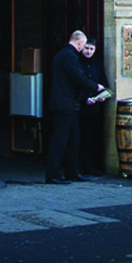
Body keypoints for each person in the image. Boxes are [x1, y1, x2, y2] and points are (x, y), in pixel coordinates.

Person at [46, 29, 104, 184]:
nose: (84, 48)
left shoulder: (63, 54)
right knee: (60, 140)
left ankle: (73, 172)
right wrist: (95, 87)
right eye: (84, 45)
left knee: (73, 141)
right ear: (80, 43)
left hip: (69, 105)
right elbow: (78, 78)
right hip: (64, 104)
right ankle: (53, 175)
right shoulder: (69, 56)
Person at [77, 40, 112, 174]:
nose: (88, 51)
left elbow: (104, 83)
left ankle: (90, 166)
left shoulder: (97, 63)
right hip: (80, 106)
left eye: (91, 49)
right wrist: (85, 98)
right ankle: (78, 166)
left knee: (91, 137)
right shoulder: (77, 62)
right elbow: (75, 84)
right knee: (79, 137)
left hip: (94, 107)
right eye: (86, 48)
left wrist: (102, 96)